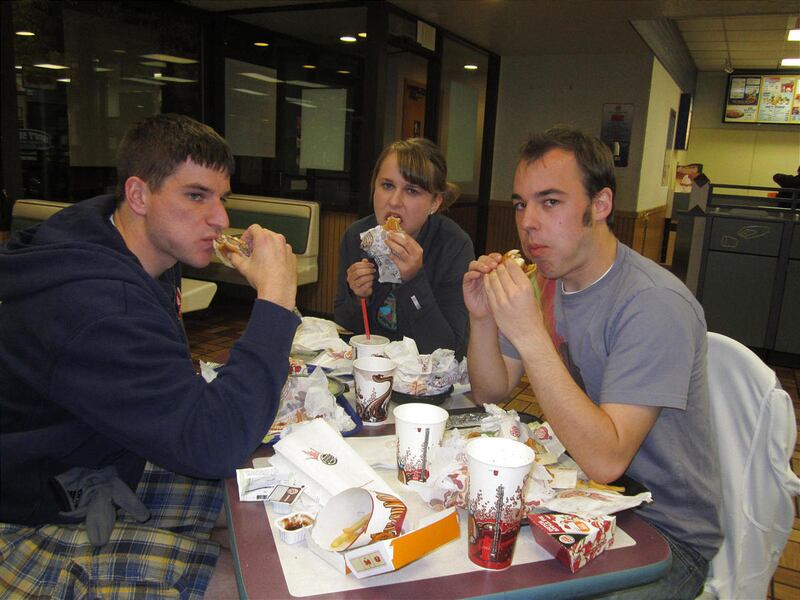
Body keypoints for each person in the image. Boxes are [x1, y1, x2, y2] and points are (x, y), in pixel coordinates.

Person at [0, 114, 299, 598]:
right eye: (196, 196)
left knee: (270, 515)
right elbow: (216, 444)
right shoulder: (99, 305)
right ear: (138, 195)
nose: (221, 218)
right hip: (31, 518)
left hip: (101, 464)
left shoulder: (132, 247)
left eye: (221, 198)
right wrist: (276, 300)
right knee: (265, 585)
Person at [463, 125, 722, 598]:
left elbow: (606, 459)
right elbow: (490, 392)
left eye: (551, 202)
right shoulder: (546, 280)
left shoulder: (653, 304)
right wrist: (482, 319)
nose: (528, 222)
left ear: (599, 206)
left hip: (664, 531)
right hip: (583, 499)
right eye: (521, 204)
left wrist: (528, 333)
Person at [334, 138, 474, 357]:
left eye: (412, 191)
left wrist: (414, 280)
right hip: (371, 366)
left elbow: (448, 349)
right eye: (387, 186)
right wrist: (357, 297)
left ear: (435, 203)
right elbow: (346, 326)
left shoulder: (454, 245)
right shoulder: (357, 237)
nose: (395, 201)